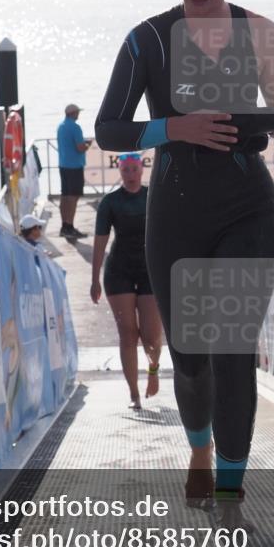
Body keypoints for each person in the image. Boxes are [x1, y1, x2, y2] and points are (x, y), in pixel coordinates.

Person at [95, 0, 274, 508]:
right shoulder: (148, 38)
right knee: (190, 357)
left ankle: (233, 488)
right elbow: (110, 131)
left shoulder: (260, 32)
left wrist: (267, 123)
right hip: (177, 212)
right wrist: (175, 127)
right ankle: (200, 450)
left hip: (247, 207)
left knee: (234, 349)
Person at [90, 153, 162, 411]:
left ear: (141, 171)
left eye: (134, 169)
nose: (130, 174)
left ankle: (153, 370)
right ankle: (134, 394)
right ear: (120, 172)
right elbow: (100, 241)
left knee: (151, 336)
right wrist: (94, 279)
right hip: (118, 270)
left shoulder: (152, 196)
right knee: (128, 333)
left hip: (149, 269)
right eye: (126, 170)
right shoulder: (110, 202)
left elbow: (171, 231)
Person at [57, 103, 91, 239]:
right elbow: (80, 148)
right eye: (77, 112)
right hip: (74, 166)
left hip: (63, 165)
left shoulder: (61, 126)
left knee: (65, 195)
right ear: (73, 113)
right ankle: (69, 227)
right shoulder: (75, 127)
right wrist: (88, 144)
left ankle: (64, 225)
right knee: (73, 197)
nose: (79, 114)